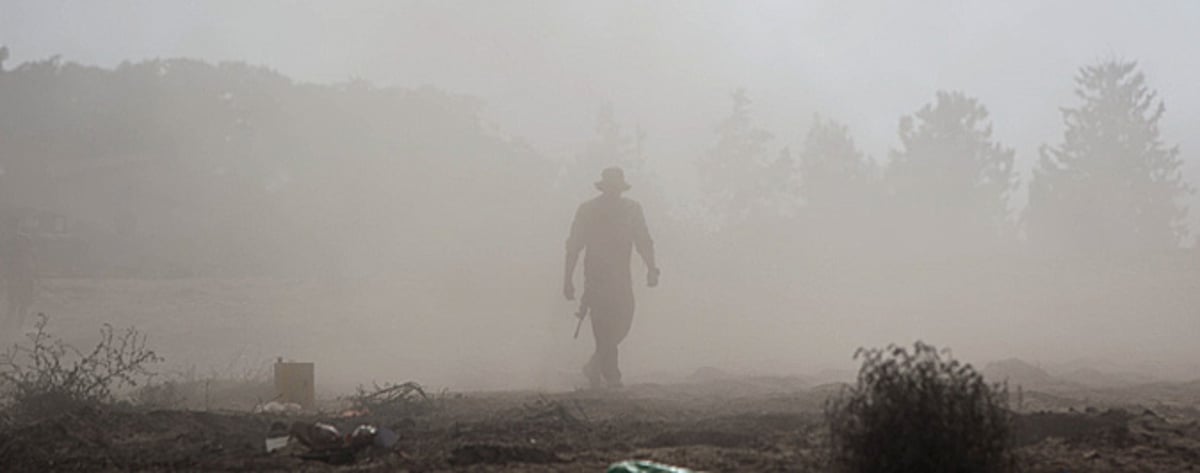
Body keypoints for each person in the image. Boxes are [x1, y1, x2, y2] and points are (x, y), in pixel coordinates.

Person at [564, 167, 659, 389]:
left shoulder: (632, 210)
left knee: (624, 321)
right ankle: (612, 374)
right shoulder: (587, 210)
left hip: (621, 277)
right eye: (610, 188)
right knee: (602, 324)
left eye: (616, 188)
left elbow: (643, 240)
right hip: (596, 277)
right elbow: (574, 246)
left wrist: (652, 268)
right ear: (604, 188)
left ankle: (595, 364)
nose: (613, 192)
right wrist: (567, 279)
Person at [2, 220, 37, 326]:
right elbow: (33, 257)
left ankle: (13, 324)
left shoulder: (9, 241)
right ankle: (17, 324)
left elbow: (4, 259)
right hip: (22, 274)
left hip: (20, 274)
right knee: (20, 302)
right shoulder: (25, 239)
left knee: (16, 302)